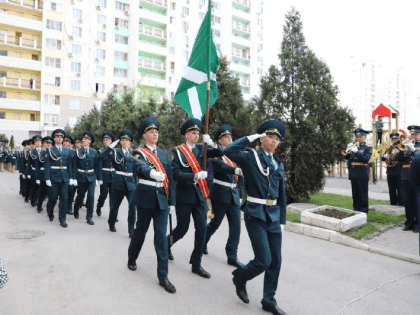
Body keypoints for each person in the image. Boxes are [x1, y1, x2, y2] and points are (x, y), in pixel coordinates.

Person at [224, 119, 287, 315]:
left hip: (274, 216)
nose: (274, 141)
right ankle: (240, 277)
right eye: (270, 136)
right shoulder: (250, 156)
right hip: (255, 214)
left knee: (275, 260)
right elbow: (229, 151)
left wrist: (283, 220)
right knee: (263, 260)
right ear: (262, 139)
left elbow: (282, 194)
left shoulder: (278, 163)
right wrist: (251, 137)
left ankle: (269, 300)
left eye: (277, 138)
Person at [168, 118, 223, 279]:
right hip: (184, 196)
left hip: (199, 196)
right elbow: (176, 173)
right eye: (193, 133)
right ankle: (166, 244)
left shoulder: (202, 148)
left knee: (202, 228)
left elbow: (220, 152)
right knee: (182, 228)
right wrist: (195, 175)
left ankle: (196, 263)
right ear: (186, 135)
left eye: (198, 133)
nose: (196, 135)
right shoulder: (178, 151)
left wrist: (212, 143)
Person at [127, 117, 177, 294]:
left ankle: (163, 276)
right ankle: (132, 257)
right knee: (140, 232)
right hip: (145, 198)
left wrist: (172, 203)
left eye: (156, 131)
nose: (155, 133)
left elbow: (170, 179)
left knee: (161, 238)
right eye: (151, 131)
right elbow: (138, 168)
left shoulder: (163, 154)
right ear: (144, 135)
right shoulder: (138, 152)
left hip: (162, 200)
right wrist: (151, 173)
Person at [204, 124, 245, 268]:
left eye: (230, 136)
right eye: (226, 137)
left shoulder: (235, 156)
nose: (230, 139)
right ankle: (202, 243)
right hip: (220, 194)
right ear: (220, 141)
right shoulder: (216, 154)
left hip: (233, 195)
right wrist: (236, 169)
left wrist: (240, 195)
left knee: (236, 227)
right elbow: (222, 167)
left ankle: (232, 255)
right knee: (215, 224)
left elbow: (242, 176)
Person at [101, 130, 137, 237]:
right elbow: (102, 156)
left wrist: (136, 184)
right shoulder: (115, 152)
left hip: (130, 184)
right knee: (115, 205)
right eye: (123, 140)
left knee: (132, 206)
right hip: (119, 182)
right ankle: (111, 222)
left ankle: (131, 229)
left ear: (130, 142)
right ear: (120, 142)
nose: (125, 142)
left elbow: (135, 170)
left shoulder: (133, 154)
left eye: (127, 140)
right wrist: (110, 147)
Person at [44, 129, 74, 228]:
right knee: (52, 198)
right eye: (57, 137)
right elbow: (47, 165)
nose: (59, 138)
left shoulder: (67, 151)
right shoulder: (49, 150)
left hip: (64, 177)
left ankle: (62, 219)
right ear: (54, 138)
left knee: (64, 199)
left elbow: (70, 165)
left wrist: (71, 177)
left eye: (61, 137)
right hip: (53, 177)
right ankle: (50, 211)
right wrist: (47, 178)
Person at [73, 131, 99, 225]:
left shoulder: (94, 152)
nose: (84, 140)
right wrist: (74, 178)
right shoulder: (77, 151)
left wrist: (96, 178)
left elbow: (96, 166)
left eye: (86, 139)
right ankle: (76, 208)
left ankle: (89, 217)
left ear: (90, 141)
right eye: (83, 139)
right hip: (81, 177)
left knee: (91, 196)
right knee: (80, 196)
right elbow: (74, 165)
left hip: (91, 177)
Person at [344, 128, 373, 213]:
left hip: (362, 173)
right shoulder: (354, 147)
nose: (359, 138)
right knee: (355, 194)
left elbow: (366, 159)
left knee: (363, 194)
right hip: (353, 173)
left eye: (360, 136)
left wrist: (357, 152)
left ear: (364, 137)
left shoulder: (368, 148)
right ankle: (356, 210)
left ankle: (364, 211)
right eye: (357, 136)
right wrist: (348, 150)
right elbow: (347, 158)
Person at [398, 130, 420, 232]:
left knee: (417, 201)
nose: (413, 136)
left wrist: (414, 150)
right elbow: (399, 159)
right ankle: (409, 222)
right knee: (408, 201)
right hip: (406, 175)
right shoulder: (407, 144)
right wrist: (404, 150)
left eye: (416, 134)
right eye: (412, 134)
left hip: (417, 176)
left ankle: (417, 224)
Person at [96, 131, 115, 217]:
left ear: (111, 141)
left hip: (113, 176)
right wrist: (99, 178)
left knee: (113, 196)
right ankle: (99, 206)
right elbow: (99, 166)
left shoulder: (115, 151)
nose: (105, 141)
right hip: (104, 175)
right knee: (103, 194)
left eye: (107, 140)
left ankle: (112, 214)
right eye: (104, 140)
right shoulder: (101, 152)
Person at [382, 133, 404, 206]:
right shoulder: (389, 148)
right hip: (390, 171)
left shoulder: (401, 147)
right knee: (391, 189)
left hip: (399, 171)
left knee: (400, 189)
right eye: (393, 139)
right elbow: (382, 158)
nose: (394, 140)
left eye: (396, 139)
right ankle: (393, 205)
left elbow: (403, 159)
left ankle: (401, 205)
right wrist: (385, 156)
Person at [35, 136, 52, 213]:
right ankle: (39, 206)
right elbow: (38, 166)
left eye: (50, 143)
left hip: (51, 175)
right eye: (46, 143)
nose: (48, 145)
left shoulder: (53, 153)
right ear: (43, 144)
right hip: (43, 175)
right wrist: (37, 178)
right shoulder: (41, 153)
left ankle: (49, 208)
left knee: (51, 193)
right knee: (42, 192)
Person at [27, 135, 43, 208]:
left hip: (41, 172)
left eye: (39, 141)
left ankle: (37, 200)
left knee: (41, 188)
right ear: (34, 143)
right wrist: (28, 173)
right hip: (34, 171)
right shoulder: (31, 152)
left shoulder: (44, 151)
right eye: (36, 142)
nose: (38, 143)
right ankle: (33, 200)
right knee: (34, 187)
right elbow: (29, 164)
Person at [63, 135, 75, 215]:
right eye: (65, 141)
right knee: (63, 193)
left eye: (68, 142)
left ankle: (69, 207)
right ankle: (63, 206)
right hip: (61, 174)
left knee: (71, 192)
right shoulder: (60, 151)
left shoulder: (73, 152)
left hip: (70, 174)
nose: (66, 143)